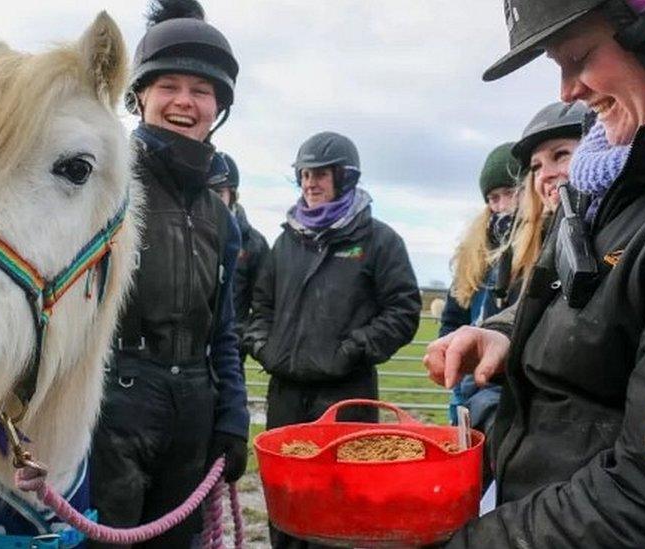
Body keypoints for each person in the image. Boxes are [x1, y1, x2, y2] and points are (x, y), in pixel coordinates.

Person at [424, 0, 645, 545]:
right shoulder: (603, 192)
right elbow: (590, 310)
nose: (567, 89)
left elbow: (644, 498)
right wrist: (506, 333)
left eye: (579, 56)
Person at [88, 1, 249, 547]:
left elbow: (221, 330)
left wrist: (231, 417)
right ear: (140, 97)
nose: (185, 101)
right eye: (169, 86)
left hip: (193, 412)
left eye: (201, 90)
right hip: (112, 408)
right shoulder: (106, 189)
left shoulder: (221, 217)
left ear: (217, 106)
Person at [245, 131, 421, 548]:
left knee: (342, 509)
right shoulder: (285, 241)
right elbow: (259, 309)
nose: (310, 183)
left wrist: (352, 351)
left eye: (321, 174)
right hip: (287, 394)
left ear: (345, 177)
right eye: (304, 174)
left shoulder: (380, 241)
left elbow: (403, 310)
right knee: (286, 501)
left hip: (347, 396)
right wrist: (266, 348)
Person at [440, 143, 520, 447]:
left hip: (507, 390)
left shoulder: (544, 248)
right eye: (493, 198)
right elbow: (454, 315)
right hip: (467, 384)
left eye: (509, 194)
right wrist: (455, 363)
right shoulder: (473, 253)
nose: (501, 205)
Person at [507, 101, 589, 284]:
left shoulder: (627, 231)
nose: (544, 175)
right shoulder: (536, 248)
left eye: (560, 155)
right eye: (536, 167)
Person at [208, 151, 270, 364]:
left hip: (230, 352)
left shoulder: (255, 244)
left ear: (232, 195)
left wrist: (241, 337)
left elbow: (264, 302)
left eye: (218, 192)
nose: (212, 200)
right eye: (206, 191)